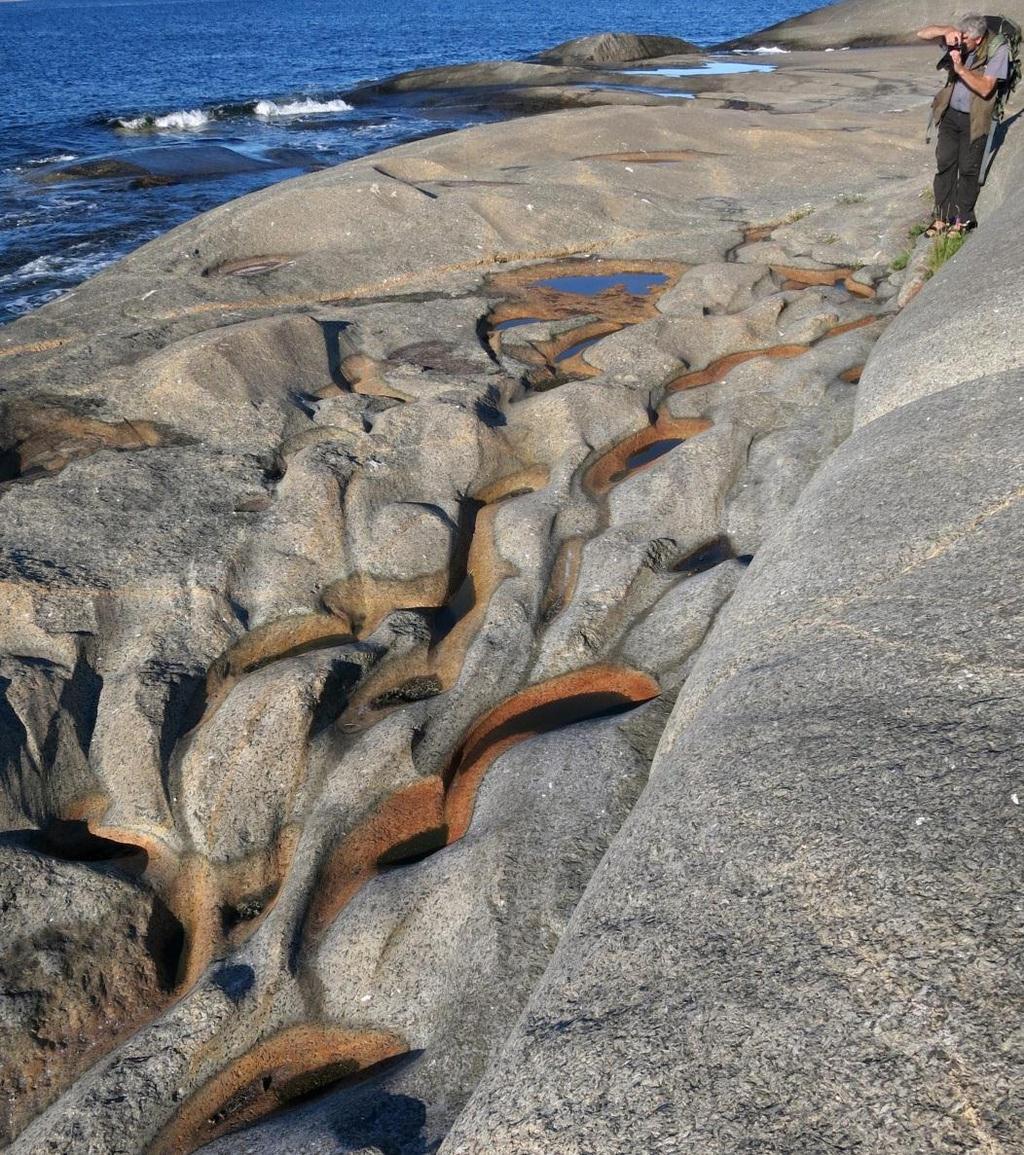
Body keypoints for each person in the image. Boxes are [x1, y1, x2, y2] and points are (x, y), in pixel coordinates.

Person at [916, 15, 1010, 234]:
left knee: (968, 169)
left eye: (965, 39)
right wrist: (948, 29)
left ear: (977, 40)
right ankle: (941, 217)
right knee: (945, 163)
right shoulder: (958, 40)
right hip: (950, 114)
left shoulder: (999, 51)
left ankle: (962, 219)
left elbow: (987, 88)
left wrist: (959, 69)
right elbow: (922, 34)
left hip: (975, 118)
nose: (960, 43)